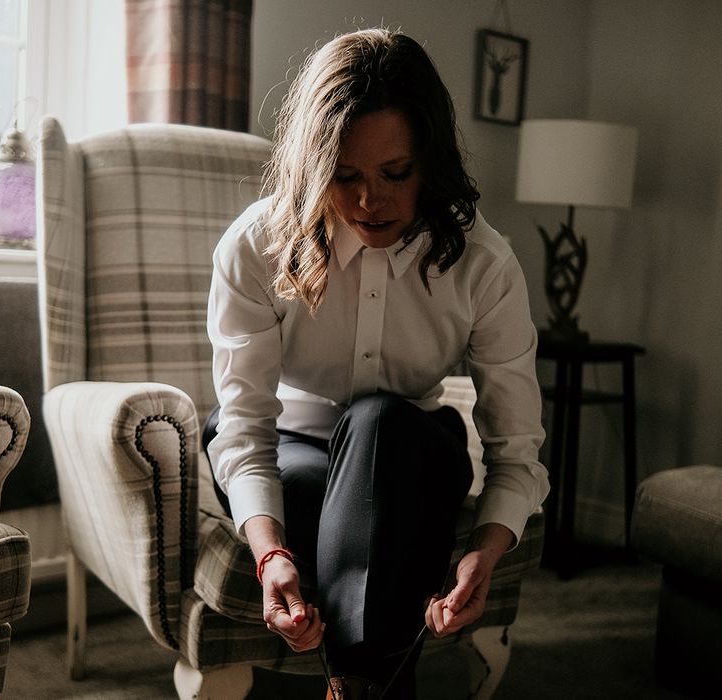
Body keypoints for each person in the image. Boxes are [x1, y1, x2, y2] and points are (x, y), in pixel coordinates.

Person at [203, 27, 549, 699]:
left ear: (432, 163)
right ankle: (369, 686)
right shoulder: (256, 245)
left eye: (396, 174)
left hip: (412, 448)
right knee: (329, 503)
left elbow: (518, 449)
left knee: (381, 423)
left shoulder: (483, 262)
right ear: (314, 167)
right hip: (292, 449)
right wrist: (272, 556)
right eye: (346, 177)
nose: (370, 202)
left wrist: (486, 550)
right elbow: (244, 429)